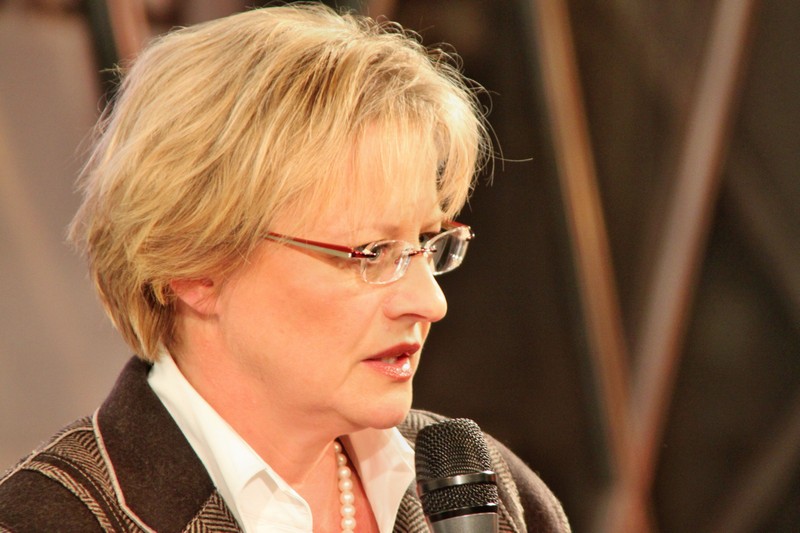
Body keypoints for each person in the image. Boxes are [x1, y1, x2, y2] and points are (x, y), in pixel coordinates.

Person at [0, 3, 569, 532]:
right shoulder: (47, 519)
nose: (430, 302)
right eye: (372, 251)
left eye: (425, 241)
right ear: (195, 267)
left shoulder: (489, 488)